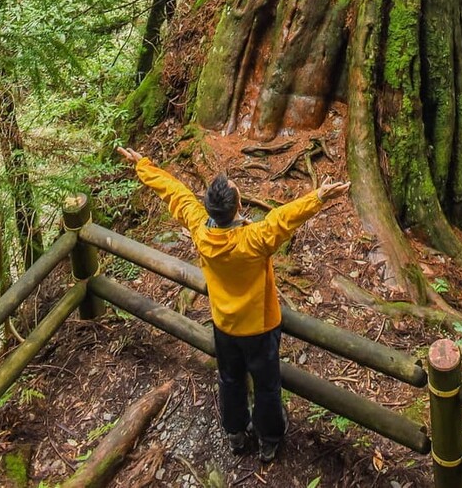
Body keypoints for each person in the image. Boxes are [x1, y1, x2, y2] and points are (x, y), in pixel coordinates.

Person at [116, 146, 350, 463]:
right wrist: (320, 196)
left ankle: (235, 434)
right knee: (267, 386)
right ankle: (269, 439)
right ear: (238, 206)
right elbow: (284, 218)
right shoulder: (254, 239)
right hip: (260, 328)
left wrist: (142, 165)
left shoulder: (201, 231)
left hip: (224, 325)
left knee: (230, 379)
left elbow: (174, 192)